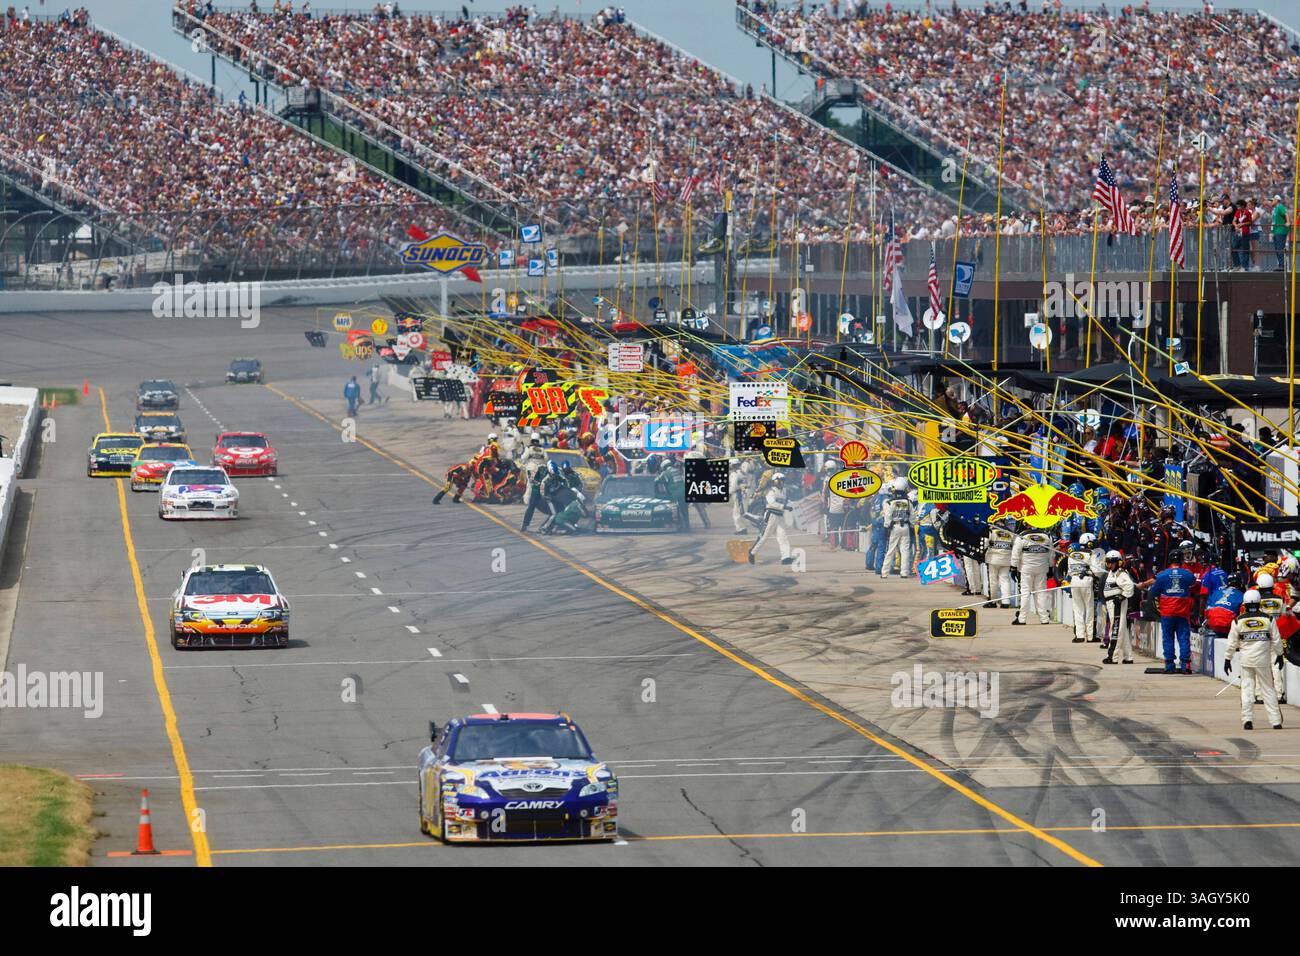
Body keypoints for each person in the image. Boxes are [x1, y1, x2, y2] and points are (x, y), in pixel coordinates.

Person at [1224, 589, 1284, 730]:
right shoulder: (1268, 619)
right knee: (1268, 689)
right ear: (1259, 603)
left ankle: (1247, 720)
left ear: (1244, 604)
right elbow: (1276, 639)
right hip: (1263, 660)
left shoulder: (1238, 620)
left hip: (1246, 660)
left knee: (1247, 689)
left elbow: (1231, 642)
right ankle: (1275, 721)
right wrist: (1280, 654)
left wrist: (1228, 658)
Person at [1141, 548, 1199, 673]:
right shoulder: (1187, 573)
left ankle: (1169, 665)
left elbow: (1153, 592)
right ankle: (1185, 665)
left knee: (1167, 637)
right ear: (1181, 560)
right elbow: (1193, 582)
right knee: (1183, 637)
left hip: (1167, 612)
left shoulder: (1162, 575)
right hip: (1183, 612)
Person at [1063, 532, 1103, 642]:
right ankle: (1090, 636)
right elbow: (1097, 571)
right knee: (1089, 609)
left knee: (1078, 609)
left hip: (1074, 581)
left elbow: (1070, 572)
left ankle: (1079, 636)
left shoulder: (1071, 555)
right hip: (1087, 581)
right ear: (1088, 543)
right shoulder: (1091, 554)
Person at [749, 472, 794, 565]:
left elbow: (786, 501)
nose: (782, 482)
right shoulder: (771, 491)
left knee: (783, 537)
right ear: (775, 481)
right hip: (771, 516)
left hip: (780, 516)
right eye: (781, 480)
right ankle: (752, 552)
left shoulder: (783, 491)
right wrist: (784, 507)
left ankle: (786, 557)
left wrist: (792, 504)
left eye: (783, 481)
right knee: (764, 536)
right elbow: (772, 503)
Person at [1011, 528, 1054, 625]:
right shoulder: (1047, 536)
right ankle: (1044, 619)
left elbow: (1015, 553)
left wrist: (1013, 567)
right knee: (1041, 592)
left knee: (1025, 593)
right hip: (1042, 568)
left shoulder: (1022, 536)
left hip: (1026, 569)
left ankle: (1022, 619)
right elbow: (1051, 554)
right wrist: (1051, 567)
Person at [1101, 550, 1136, 664]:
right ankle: (1128, 657)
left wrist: (1122, 597)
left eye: (1111, 562)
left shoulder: (1121, 573)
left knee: (1116, 630)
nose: (1109, 564)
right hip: (1111, 604)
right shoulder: (1111, 573)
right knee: (1122, 630)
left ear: (1118, 562)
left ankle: (1112, 657)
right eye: (1107, 562)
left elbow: (1129, 586)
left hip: (1117, 604)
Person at [880, 478, 916, 578]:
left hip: (894, 527)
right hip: (905, 527)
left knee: (890, 550)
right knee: (905, 550)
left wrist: (886, 527)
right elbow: (912, 517)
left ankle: (884, 573)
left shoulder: (890, 502)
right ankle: (904, 573)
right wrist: (912, 526)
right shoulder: (908, 502)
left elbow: (888, 516)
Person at [983, 518, 1017, 608]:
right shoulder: (1010, 533)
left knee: (993, 580)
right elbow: (1015, 546)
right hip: (1006, 559)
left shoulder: (991, 530)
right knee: (1005, 580)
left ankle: (993, 601)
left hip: (993, 559)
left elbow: (985, 544)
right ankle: (1006, 601)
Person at [519, 458, 551, 531]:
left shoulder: (554, 470)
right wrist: (539, 484)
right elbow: (531, 480)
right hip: (536, 491)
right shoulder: (537, 468)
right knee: (531, 507)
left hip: (546, 491)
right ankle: (525, 525)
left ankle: (549, 525)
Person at [1273, 195, 1290, 271]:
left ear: (1277, 200)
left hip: (1281, 231)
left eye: (1273, 200)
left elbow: (1286, 213)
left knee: (1279, 248)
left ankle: (1282, 266)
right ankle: (1280, 265)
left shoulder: (1280, 207)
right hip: (1276, 231)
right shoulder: (1276, 208)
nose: (1272, 201)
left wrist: (1288, 221)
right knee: (1277, 248)